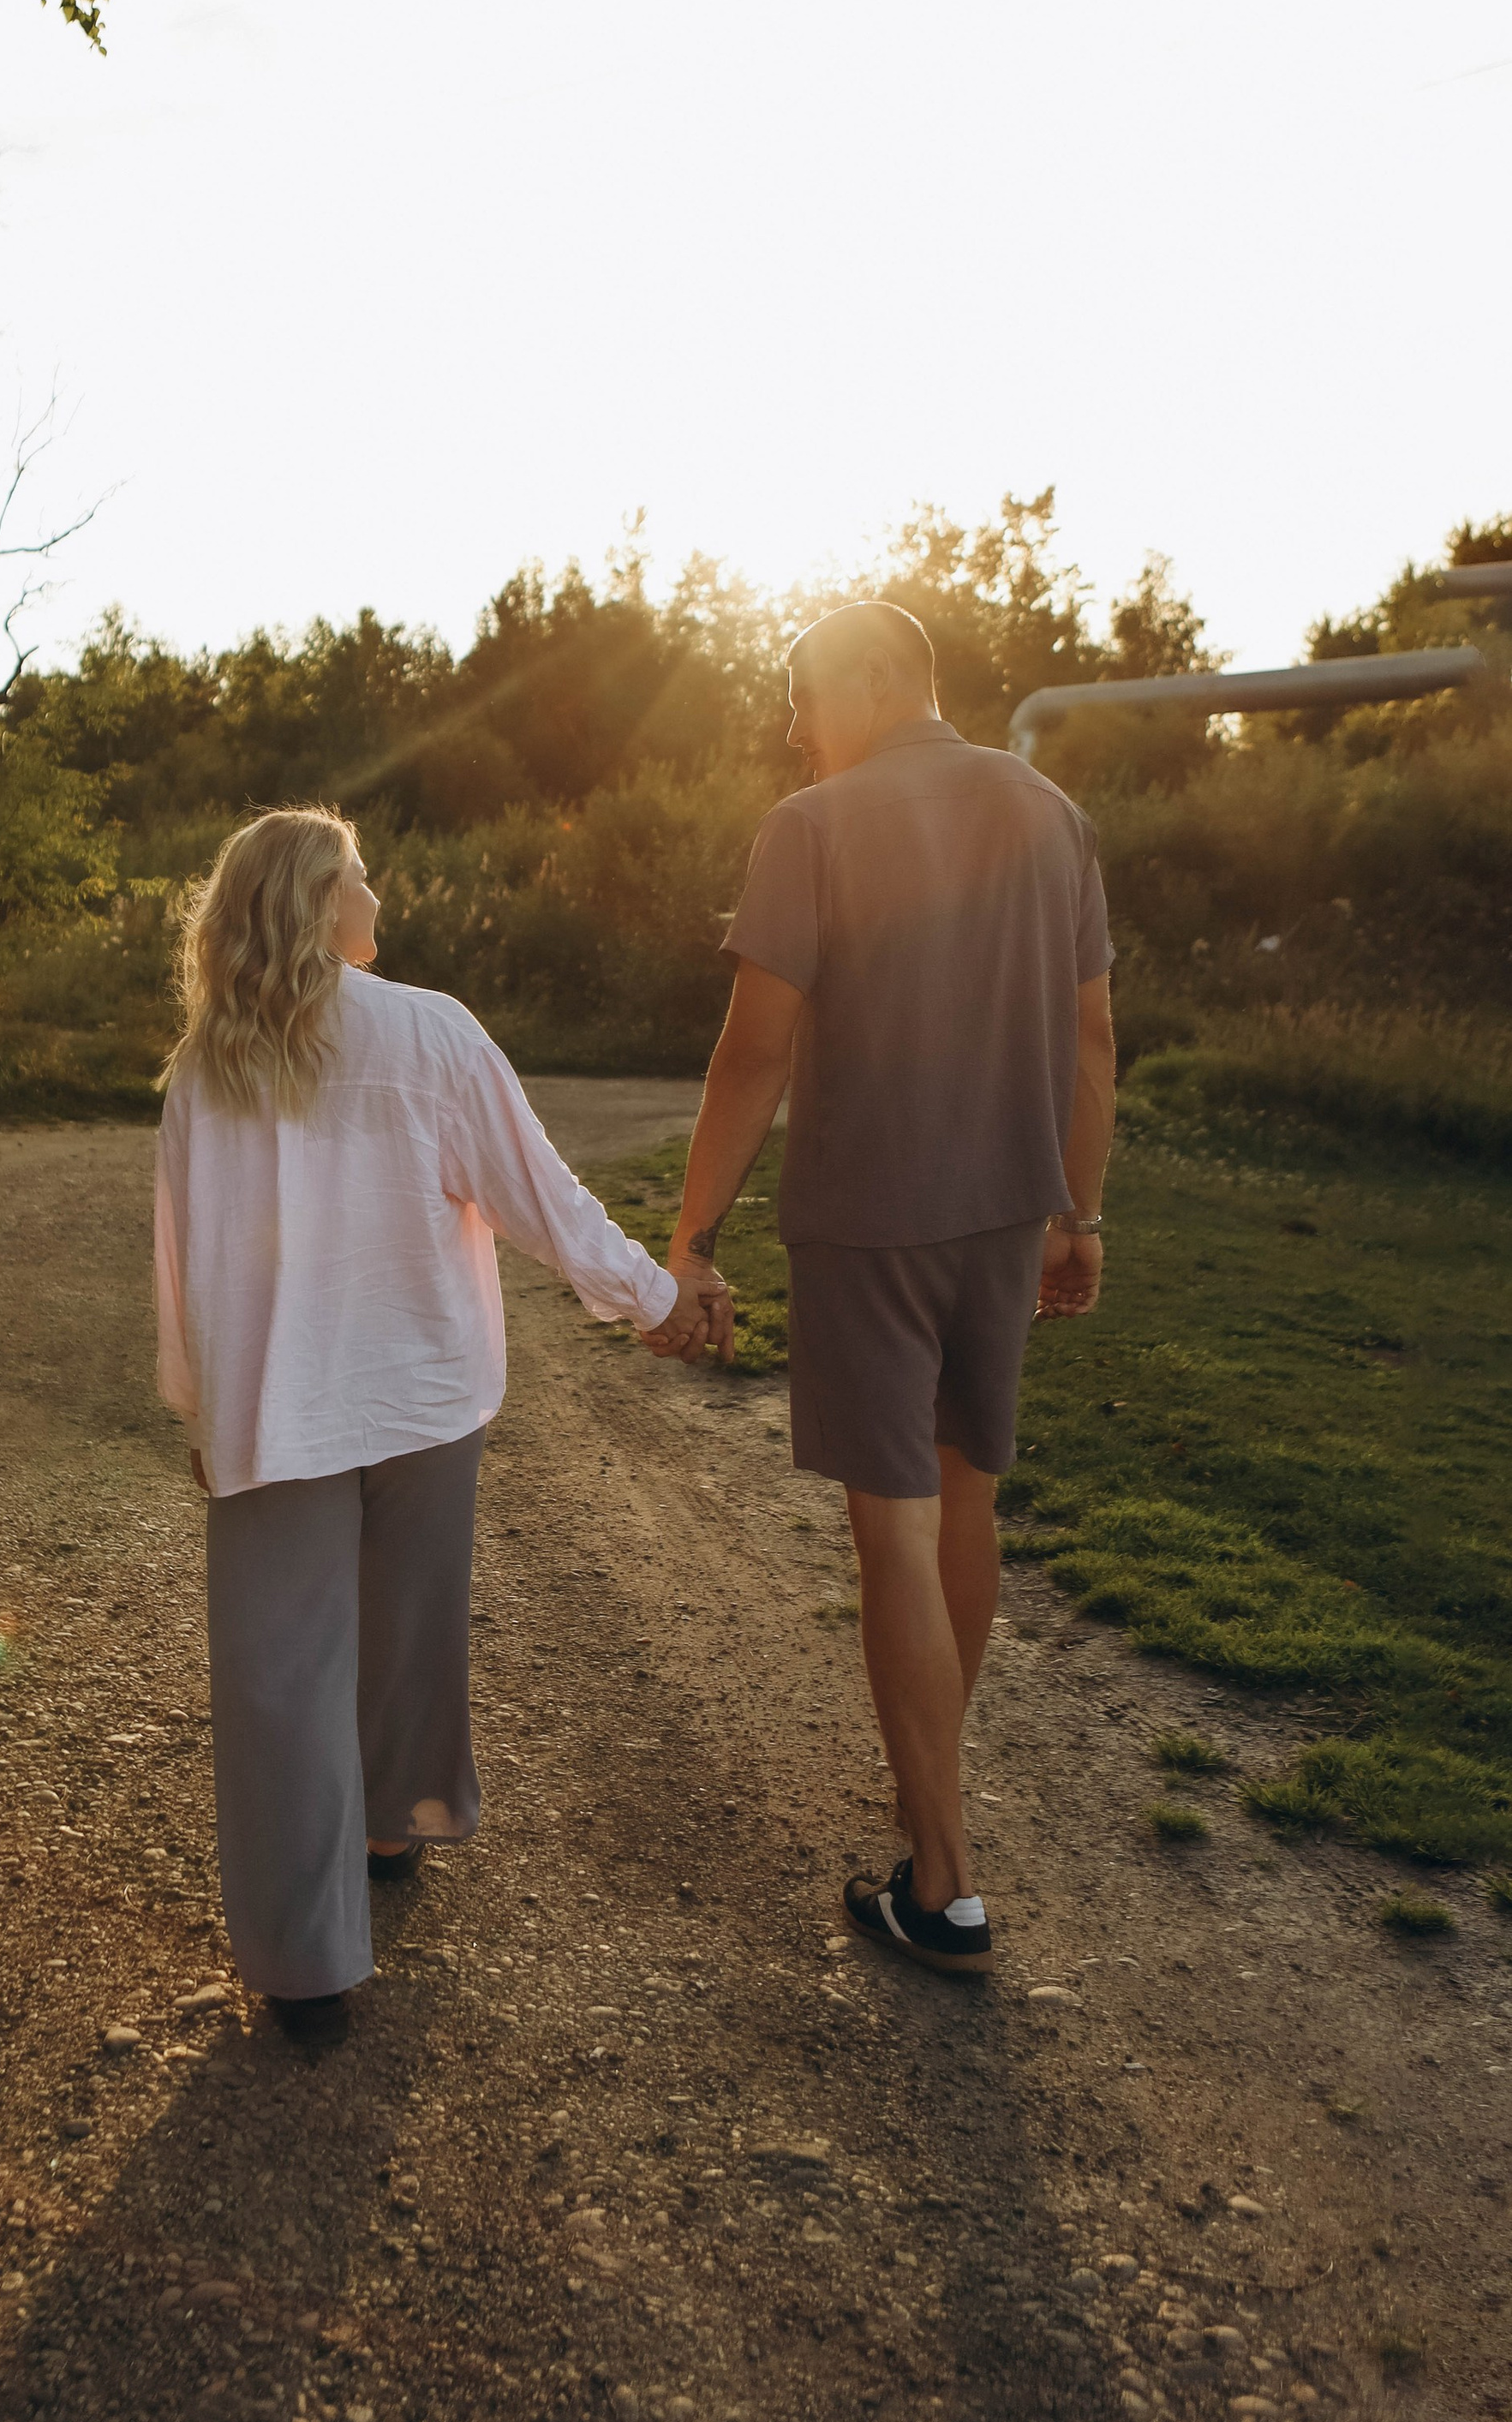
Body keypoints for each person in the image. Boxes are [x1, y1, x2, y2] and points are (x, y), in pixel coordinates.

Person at [153, 804, 714, 2043]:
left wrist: (198, 1399)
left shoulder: (210, 1063)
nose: (379, 897)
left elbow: (183, 1254)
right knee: (409, 1623)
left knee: (282, 1674)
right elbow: (542, 1198)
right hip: (419, 1390)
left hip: (277, 1402)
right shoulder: (432, 1032)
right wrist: (656, 1298)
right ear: (314, 901)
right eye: (361, 875)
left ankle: (307, 1970)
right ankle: (391, 1818)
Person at [654, 601, 1117, 1976]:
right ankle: (933, 1803)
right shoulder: (1050, 813)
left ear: (871, 680)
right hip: (1001, 1220)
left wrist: (690, 1236)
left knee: (895, 1539)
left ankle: (944, 1879)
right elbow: (1092, 1034)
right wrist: (1078, 1215)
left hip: (869, 1223)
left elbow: (754, 1053)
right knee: (961, 1502)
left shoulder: (814, 824)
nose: (795, 727)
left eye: (802, 697)